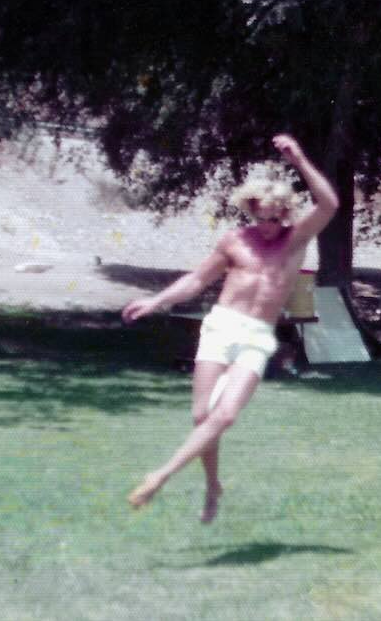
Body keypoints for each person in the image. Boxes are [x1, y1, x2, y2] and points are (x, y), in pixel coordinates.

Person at [121, 134, 339, 522]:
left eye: (276, 217)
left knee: (226, 416)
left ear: (286, 213)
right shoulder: (235, 242)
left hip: (257, 336)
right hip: (221, 328)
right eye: (261, 217)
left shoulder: (295, 240)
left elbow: (329, 203)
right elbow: (195, 282)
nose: (269, 225)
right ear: (250, 210)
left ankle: (160, 475)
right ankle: (212, 485)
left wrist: (300, 159)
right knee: (202, 417)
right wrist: (154, 302)